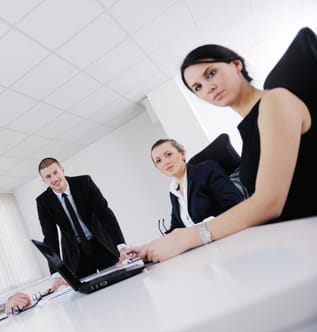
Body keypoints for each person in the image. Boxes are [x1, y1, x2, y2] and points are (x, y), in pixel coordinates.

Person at [127, 43, 316, 263]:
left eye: (211, 73)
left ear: (236, 64)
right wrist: (149, 248)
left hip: (307, 239)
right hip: (289, 242)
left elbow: (268, 202)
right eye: (197, 87)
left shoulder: (275, 100)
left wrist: (189, 238)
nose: (207, 87)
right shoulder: (250, 127)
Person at [36, 157, 128, 291]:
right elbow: (50, 238)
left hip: (101, 245)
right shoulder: (43, 201)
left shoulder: (84, 182)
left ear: (62, 170)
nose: (54, 179)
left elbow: (105, 214)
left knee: (120, 286)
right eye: (48, 176)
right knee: (88, 296)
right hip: (76, 255)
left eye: (55, 172)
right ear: (44, 180)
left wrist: (121, 246)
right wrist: (56, 274)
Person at [151, 138, 244, 234]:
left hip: (231, 235)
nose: (165, 162)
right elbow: (176, 227)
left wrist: (195, 232)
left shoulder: (206, 170)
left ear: (182, 154)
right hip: (207, 244)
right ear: (157, 168)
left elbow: (234, 205)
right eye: (158, 161)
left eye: (169, 154)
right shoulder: (174, 191)